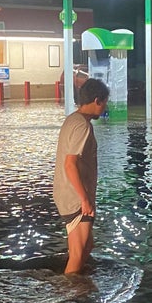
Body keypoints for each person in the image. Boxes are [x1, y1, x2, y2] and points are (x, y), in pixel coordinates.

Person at [54, 77, 108, 274]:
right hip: (75, 197)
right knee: (77, 254)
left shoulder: (72, 120)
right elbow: (70, 164)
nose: (105, 107)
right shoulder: (82, 126)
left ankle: (79, 289)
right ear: (97, 101)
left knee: (87, 246)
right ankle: (67, 297)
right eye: (105, 102)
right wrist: (84, 199)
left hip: (68, 194)